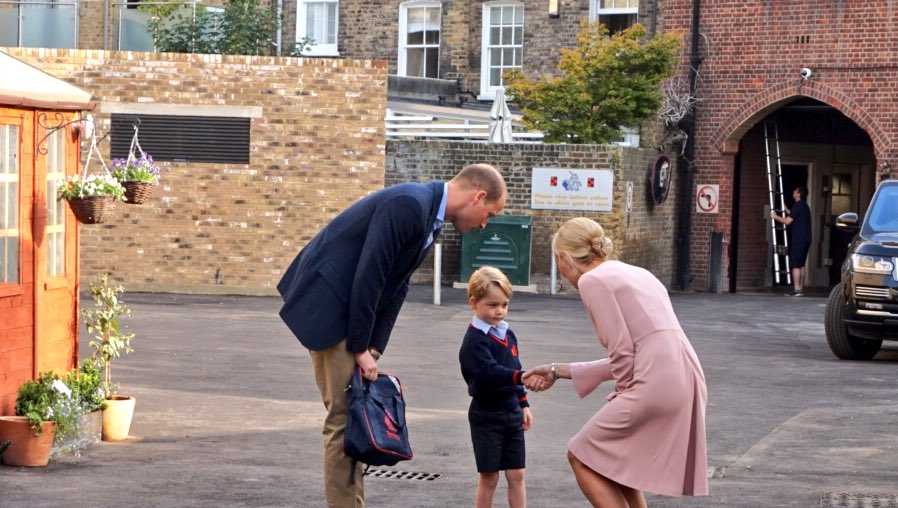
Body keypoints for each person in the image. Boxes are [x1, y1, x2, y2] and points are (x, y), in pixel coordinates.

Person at [277, 164, 507, 508]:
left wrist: (374, 346)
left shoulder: (428, 214)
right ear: (478, 196)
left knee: (355, 416)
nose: (485, 223)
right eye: (489, 213)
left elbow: (396, 286)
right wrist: (359, 347)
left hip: (348, 313)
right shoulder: (409, 205)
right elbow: (370, 275)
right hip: (331, 308)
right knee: (344, 420)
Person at [523, 217, 708, 508]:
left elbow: (621, 353)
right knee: (617, 466)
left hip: (654, 383)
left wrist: (624, 395)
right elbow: (642, 351)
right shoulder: (635, 272)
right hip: (683, 375)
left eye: (558, 260)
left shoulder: (592, 281)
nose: (560, 270)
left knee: (581, 454)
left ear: (566, 257)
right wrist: (558, 370)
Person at [459, 266, 532, 508]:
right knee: (489, 477)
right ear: (474, 303)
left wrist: (523, 404)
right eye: (492, 305)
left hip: (511, 412)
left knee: (517, 474)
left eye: (504, 304)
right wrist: (520, 377)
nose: (499, 311)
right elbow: (488, 374)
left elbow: (514, 365)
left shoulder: (507, 333)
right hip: (486, 415)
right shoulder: (474, 342)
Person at [770, 186, 812, 296]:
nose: (793, 192)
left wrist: (775, 217)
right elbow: (793, 214)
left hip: (799, 239)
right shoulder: (804, 206)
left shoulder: (798, 206)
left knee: (795, 265)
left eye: (795, 191)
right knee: (801, 264)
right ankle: (800, 289)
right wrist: (786, 208)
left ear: (798, 194)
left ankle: (797, 290)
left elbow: (787, 221)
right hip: (806, 239)